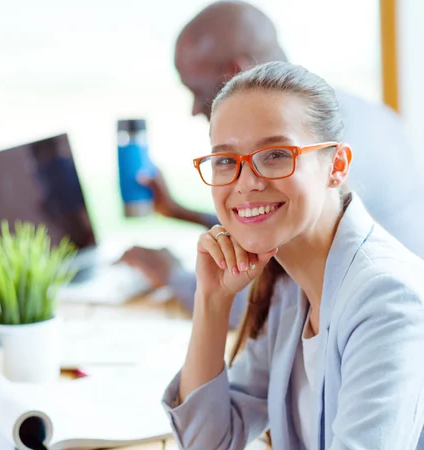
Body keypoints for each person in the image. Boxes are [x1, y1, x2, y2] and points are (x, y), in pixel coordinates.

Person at [65, 61, 424, 450]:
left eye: (276, 154)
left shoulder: (386, 300)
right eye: (225, 161)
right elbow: (207, 444)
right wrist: (212, 303)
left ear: (336, 166)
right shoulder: (289, 282)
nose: (246, 181)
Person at [122, 0, 424, 326]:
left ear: (235, 74)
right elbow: (273, 209)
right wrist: (181, 212)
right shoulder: (332, 114)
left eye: (198, 91)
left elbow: (264, 307)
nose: (195, 109)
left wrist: (176, 277)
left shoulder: (317, 150)